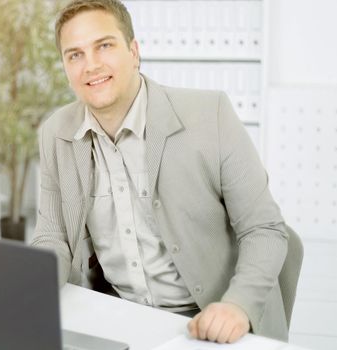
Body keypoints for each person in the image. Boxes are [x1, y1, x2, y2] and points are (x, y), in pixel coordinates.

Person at [31, 0, 290, 343]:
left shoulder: (210, 115)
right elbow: (52, 236)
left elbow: (264, 228)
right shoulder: (56, 133)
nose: (90, 65)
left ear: (134, 52)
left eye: (104, 46)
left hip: (207, 318)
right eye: (74, 54)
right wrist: (28, 287)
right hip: (117, 316)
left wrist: (237, 305)